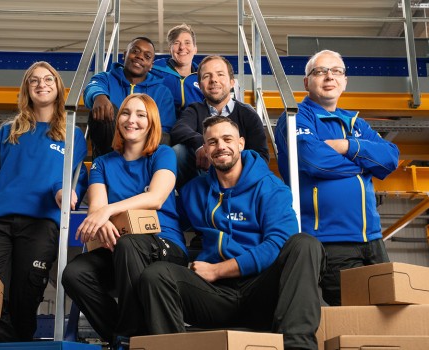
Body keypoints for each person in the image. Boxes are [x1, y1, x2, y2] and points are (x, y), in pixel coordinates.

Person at [138, 116, 325, 350]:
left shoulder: (271, 187)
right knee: (156, 275)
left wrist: (218, 270)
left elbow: (278, 243)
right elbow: (167, 220)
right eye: (212, 142)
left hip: (262, 293)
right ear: (205, 149)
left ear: (241, 143)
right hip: (214, 297)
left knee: (304, 244)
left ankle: (298, 347)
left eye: (227, 139)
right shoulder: (193, 192)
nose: (220, 147)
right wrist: (114, 213)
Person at [0, 61, 88, 342]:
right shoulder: (8, 132)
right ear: (27, 89)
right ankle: (8, 347)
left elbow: (77, 176)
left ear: (58, 87)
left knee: (25, 301)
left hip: (41, 226)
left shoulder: (72, 134)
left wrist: (66, 190)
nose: (41, 84)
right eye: (34, 80)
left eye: (48, 80)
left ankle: (16, 344)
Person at [62, 94, 188, 350]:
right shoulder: (102, 163)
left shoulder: (162, 154)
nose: (132, 120)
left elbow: (156, 198)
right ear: (118, 120)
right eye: (126, 113)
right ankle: (123, 335)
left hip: (163, 246)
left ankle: (130, 336)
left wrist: (107, 211)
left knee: (129, 244)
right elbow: (96, 206)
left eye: (141, 115)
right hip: (117, 247)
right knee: (75, 273)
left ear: (151, 122)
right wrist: (102, 216)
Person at [275, 49, 400, 306]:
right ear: (307, 82)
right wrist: (365, 164)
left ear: (344, 81)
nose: (329, 77)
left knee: (387, 312)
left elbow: (390, 158)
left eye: (336, 72)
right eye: (320, 71)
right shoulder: (296, 116)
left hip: (373, 239)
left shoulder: (356, 123)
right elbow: (313, 159)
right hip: (332, 241)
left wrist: (347, 147)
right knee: (353, 315)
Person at [170, 55, 269, 189]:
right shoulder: (194, 110)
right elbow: (179, 129)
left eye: (220, 74)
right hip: (203, 179)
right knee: (178, 152)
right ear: (199, 85)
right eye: (206, 76)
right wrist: (201, 145)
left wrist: (229, 159)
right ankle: (192, 199)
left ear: (232, 82)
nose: (214, 80)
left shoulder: (248, 114)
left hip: (239, 182)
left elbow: (261, 156)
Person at [84, 37, 176, 158]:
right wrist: (99, 96)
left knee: (165, 138)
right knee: (106, 108)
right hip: (109, 150)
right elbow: (93, 88)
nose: (140, 57)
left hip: (143, 154)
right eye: (135, 51)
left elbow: (164, 129)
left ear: (150, 65)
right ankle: (112, 165)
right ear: (125, 55)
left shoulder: (162, 92)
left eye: (147, 56)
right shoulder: (105, 78)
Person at [151, 23, 204, 116]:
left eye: (187, 43)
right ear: (170, 49)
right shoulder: (154, 71)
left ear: (195, 49)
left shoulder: (203, 77)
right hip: (162, 128)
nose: (182, 47)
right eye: (176, 43)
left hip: (194, 129)